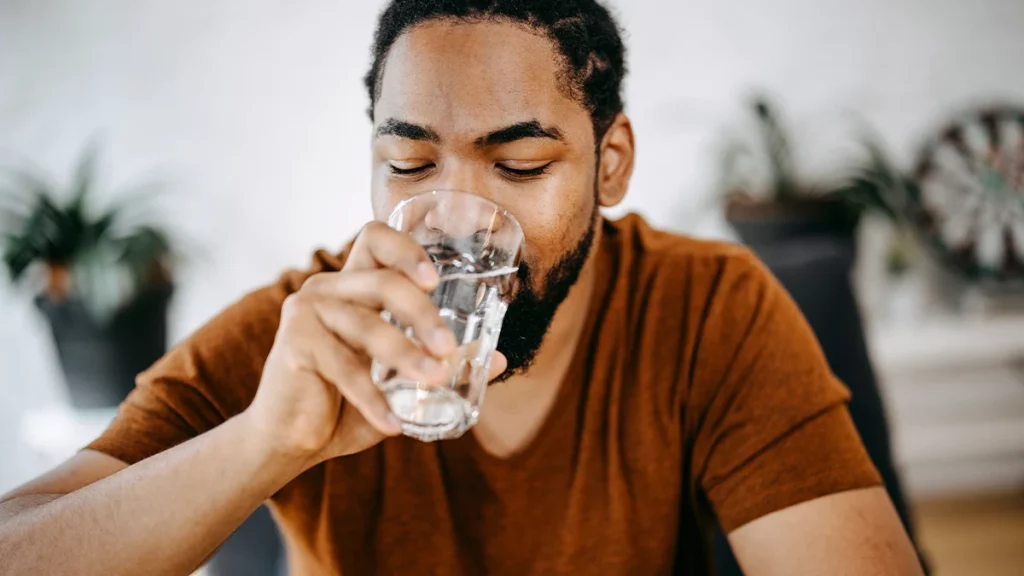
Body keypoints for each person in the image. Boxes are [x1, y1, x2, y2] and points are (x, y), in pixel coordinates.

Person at [0, 1, 924, 574]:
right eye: (408, 163)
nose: (453, 218)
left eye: (519, 163)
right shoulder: (301, 331)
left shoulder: (709, 311)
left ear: (611, 164)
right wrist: (264, 442)